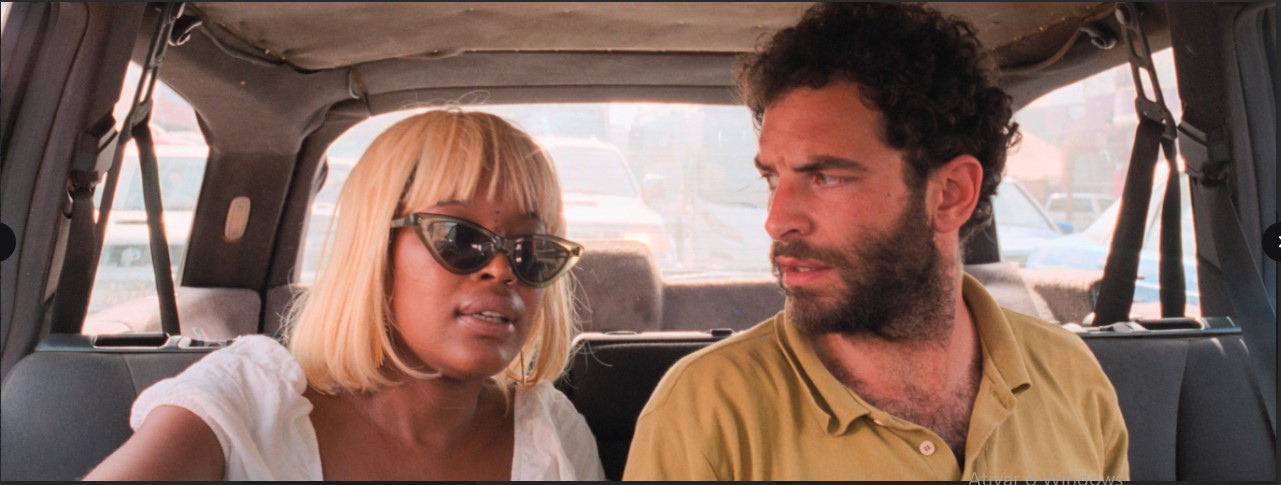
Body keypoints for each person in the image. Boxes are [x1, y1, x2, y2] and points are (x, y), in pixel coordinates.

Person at [624, 3, 1128, 481]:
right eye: (772, 178)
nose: (777, 221)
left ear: (951, 194)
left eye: (826, 177)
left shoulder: (1072, 379)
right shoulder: (704, 412)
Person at [86, 110, 605, 480]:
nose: (501, 269)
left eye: (530, 250)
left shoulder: (550, 436)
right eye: (459, 238)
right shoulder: (245, 404)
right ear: (375, 249)